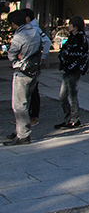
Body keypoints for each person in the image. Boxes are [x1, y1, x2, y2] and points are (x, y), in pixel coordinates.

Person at [4, 9, 43, 146]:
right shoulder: (35, 32)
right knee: (27, 100)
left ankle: (23, 135)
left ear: (14, 24)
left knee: (19, 105)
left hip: (21, 71)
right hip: (33, 70)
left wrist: (17, 58)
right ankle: (19, 131)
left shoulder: (19, 36)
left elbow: (11, 55)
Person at [54, 16, 89, 129]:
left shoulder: (81, 39)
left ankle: (75, 119)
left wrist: (70, 59)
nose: (68, 26)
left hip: (74, 70)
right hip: (66, 69)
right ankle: (68, 118)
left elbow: (79, 55)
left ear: (75, 26)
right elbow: (63, 51)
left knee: (72, 94)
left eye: (70, 24)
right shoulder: (70, 38)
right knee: (62, 96)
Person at [21, 8, 51, 127]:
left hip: (33, 63)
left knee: (33, 90)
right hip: (25, 62)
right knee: (25, 91)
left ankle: (34, 116)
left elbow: (47, 41)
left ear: (27, 18)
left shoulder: (35, 29)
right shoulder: (26, 28)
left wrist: (43, 56)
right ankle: (24, 116)